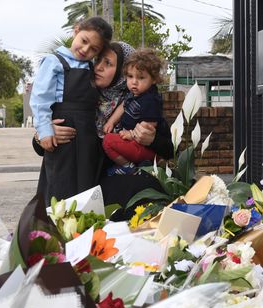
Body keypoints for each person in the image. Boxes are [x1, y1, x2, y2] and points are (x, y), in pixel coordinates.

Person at [33, 41, 173, 208]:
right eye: (97, 60)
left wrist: (151, 139)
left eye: (108, 63)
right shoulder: (81, 98)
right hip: (76, 189)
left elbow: (169, 150)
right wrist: (42, 134)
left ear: (123, 70)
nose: (98, 67)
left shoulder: (140, 103)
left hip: (120, 195)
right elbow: (42, 148)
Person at [102, 48, 165, 175]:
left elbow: (149, 126)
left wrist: (131, 134)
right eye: (130, 76)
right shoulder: (133, 94)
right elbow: (123, 106)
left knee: (108, 141)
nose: (134, 82)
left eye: (141, 78)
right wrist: (111, 122)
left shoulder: (150, 99)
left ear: (153, 79)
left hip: (142, 145)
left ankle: (129, 167)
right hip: (132, 142)